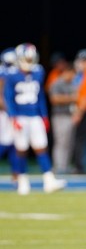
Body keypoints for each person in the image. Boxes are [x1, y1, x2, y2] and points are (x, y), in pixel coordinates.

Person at [3, 43, 66, 195]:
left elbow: (40, 97)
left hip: (35, 116)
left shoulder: (38, 72)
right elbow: (8, 98)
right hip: (20, 116)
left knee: (41, 147)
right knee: (21, 149)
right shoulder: (11, 74)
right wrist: (13, 117)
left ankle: (48, 180)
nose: (29, 62)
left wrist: (44, 115)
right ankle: (22, 181)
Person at [49, 62, 77, 174]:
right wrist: (71, 98)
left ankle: (65, 165)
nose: (73, 76)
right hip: (59, 116)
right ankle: (58, 166)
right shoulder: (57, 83)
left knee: (69, 143)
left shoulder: (71, 84)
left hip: (70, 115)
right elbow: (54, 99)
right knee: (60, 141)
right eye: (72, 74)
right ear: (66, 72)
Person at [0, 48, 19, 182]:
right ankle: (16, 174)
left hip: (12, 112)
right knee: (6, 142)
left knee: (15, 143)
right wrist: (10, 111)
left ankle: (16, 174)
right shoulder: (4, 72)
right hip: (5, 114)